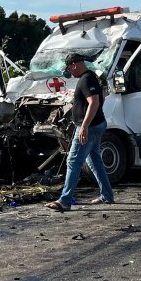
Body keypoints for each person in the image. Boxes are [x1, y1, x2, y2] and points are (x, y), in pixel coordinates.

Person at [46, 53, 114, 211]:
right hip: (97, 125)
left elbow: (94, 102)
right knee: (94, 160)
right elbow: (96, 99)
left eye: (69, 68)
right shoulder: (90, 77)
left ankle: (65, 200)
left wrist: (84, 126)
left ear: (74, 64)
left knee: (73, 161)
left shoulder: (86, 79)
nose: (70, 72)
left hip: (89, 127)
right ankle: (107, 195)